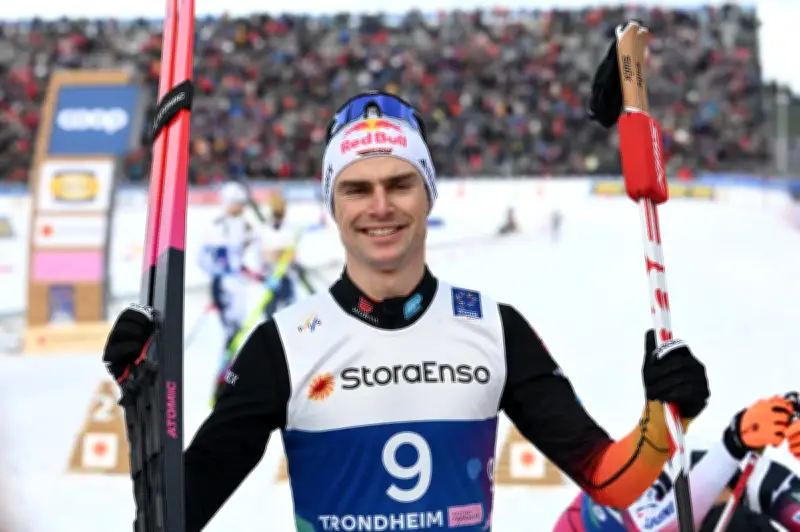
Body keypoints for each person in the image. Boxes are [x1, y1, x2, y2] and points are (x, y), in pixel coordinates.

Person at [102, 91, 710, 532]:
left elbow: (612, 480)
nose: (380, 207)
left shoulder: (494, 330)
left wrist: (665, 412)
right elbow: (169, 520)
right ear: (333, 205)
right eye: (357, 189)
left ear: (428, 194)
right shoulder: (282, 345)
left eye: (400, 183)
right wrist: (144, 405)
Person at [553, 394, 800, 531]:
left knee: (730, 524)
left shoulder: (759, 482)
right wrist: (733, 442)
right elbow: (652, 526)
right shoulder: (639, 481)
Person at [196, 181, 260, 397]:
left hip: (238, 285)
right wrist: (218, 272)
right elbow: (203, 258)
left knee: (239, 332)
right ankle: (223, 380)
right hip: (224, 286)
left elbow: (245, 255)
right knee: (231, 334)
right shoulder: (217, 226)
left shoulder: (245, 225)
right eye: (238, 203)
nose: (242, 207)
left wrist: (256, 273)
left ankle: (231, 376)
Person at [260, 192, 299, 319]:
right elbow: (262, 256)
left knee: (289, 317)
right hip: (271, 279)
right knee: (269, 317)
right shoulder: (264, 230)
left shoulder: (289, 230)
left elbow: (292, 256)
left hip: (286, 278)